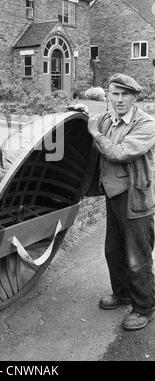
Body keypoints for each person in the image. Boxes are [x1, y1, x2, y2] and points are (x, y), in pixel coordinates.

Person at [73, 73, 155, 331]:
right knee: (113, 251)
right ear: (108, 95)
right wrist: (83, 114)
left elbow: (119, 152)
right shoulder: (109, 119)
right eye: (114, 94)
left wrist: (95, 133)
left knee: (137, 257)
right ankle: (122, 294)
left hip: (136, 199)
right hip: (114, 194)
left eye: (124, 95)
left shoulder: (146, 124)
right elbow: (95, 124)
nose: (119, 99)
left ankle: (144, 307)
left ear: (134, 98)